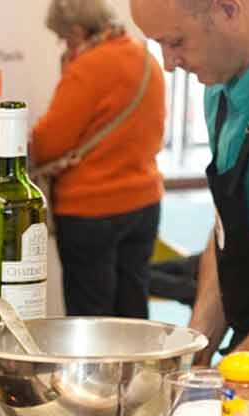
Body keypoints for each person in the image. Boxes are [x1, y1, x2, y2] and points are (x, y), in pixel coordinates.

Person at [131, 0, 249, 360]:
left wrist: (232, 373)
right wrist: (195, 351)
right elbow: (227, 228)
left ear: (228, 9)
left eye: (176, 42)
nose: (167, 64)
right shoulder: (219, 91)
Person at [32, 0, 167, 320]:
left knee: (90, 317)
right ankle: (138, 371)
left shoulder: (87, 68)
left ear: (77, 31)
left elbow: (48, 143)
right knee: (133, 308)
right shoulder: (146, 60)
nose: (64, 45)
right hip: (144, 202)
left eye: (64, 37)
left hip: (90, 209)